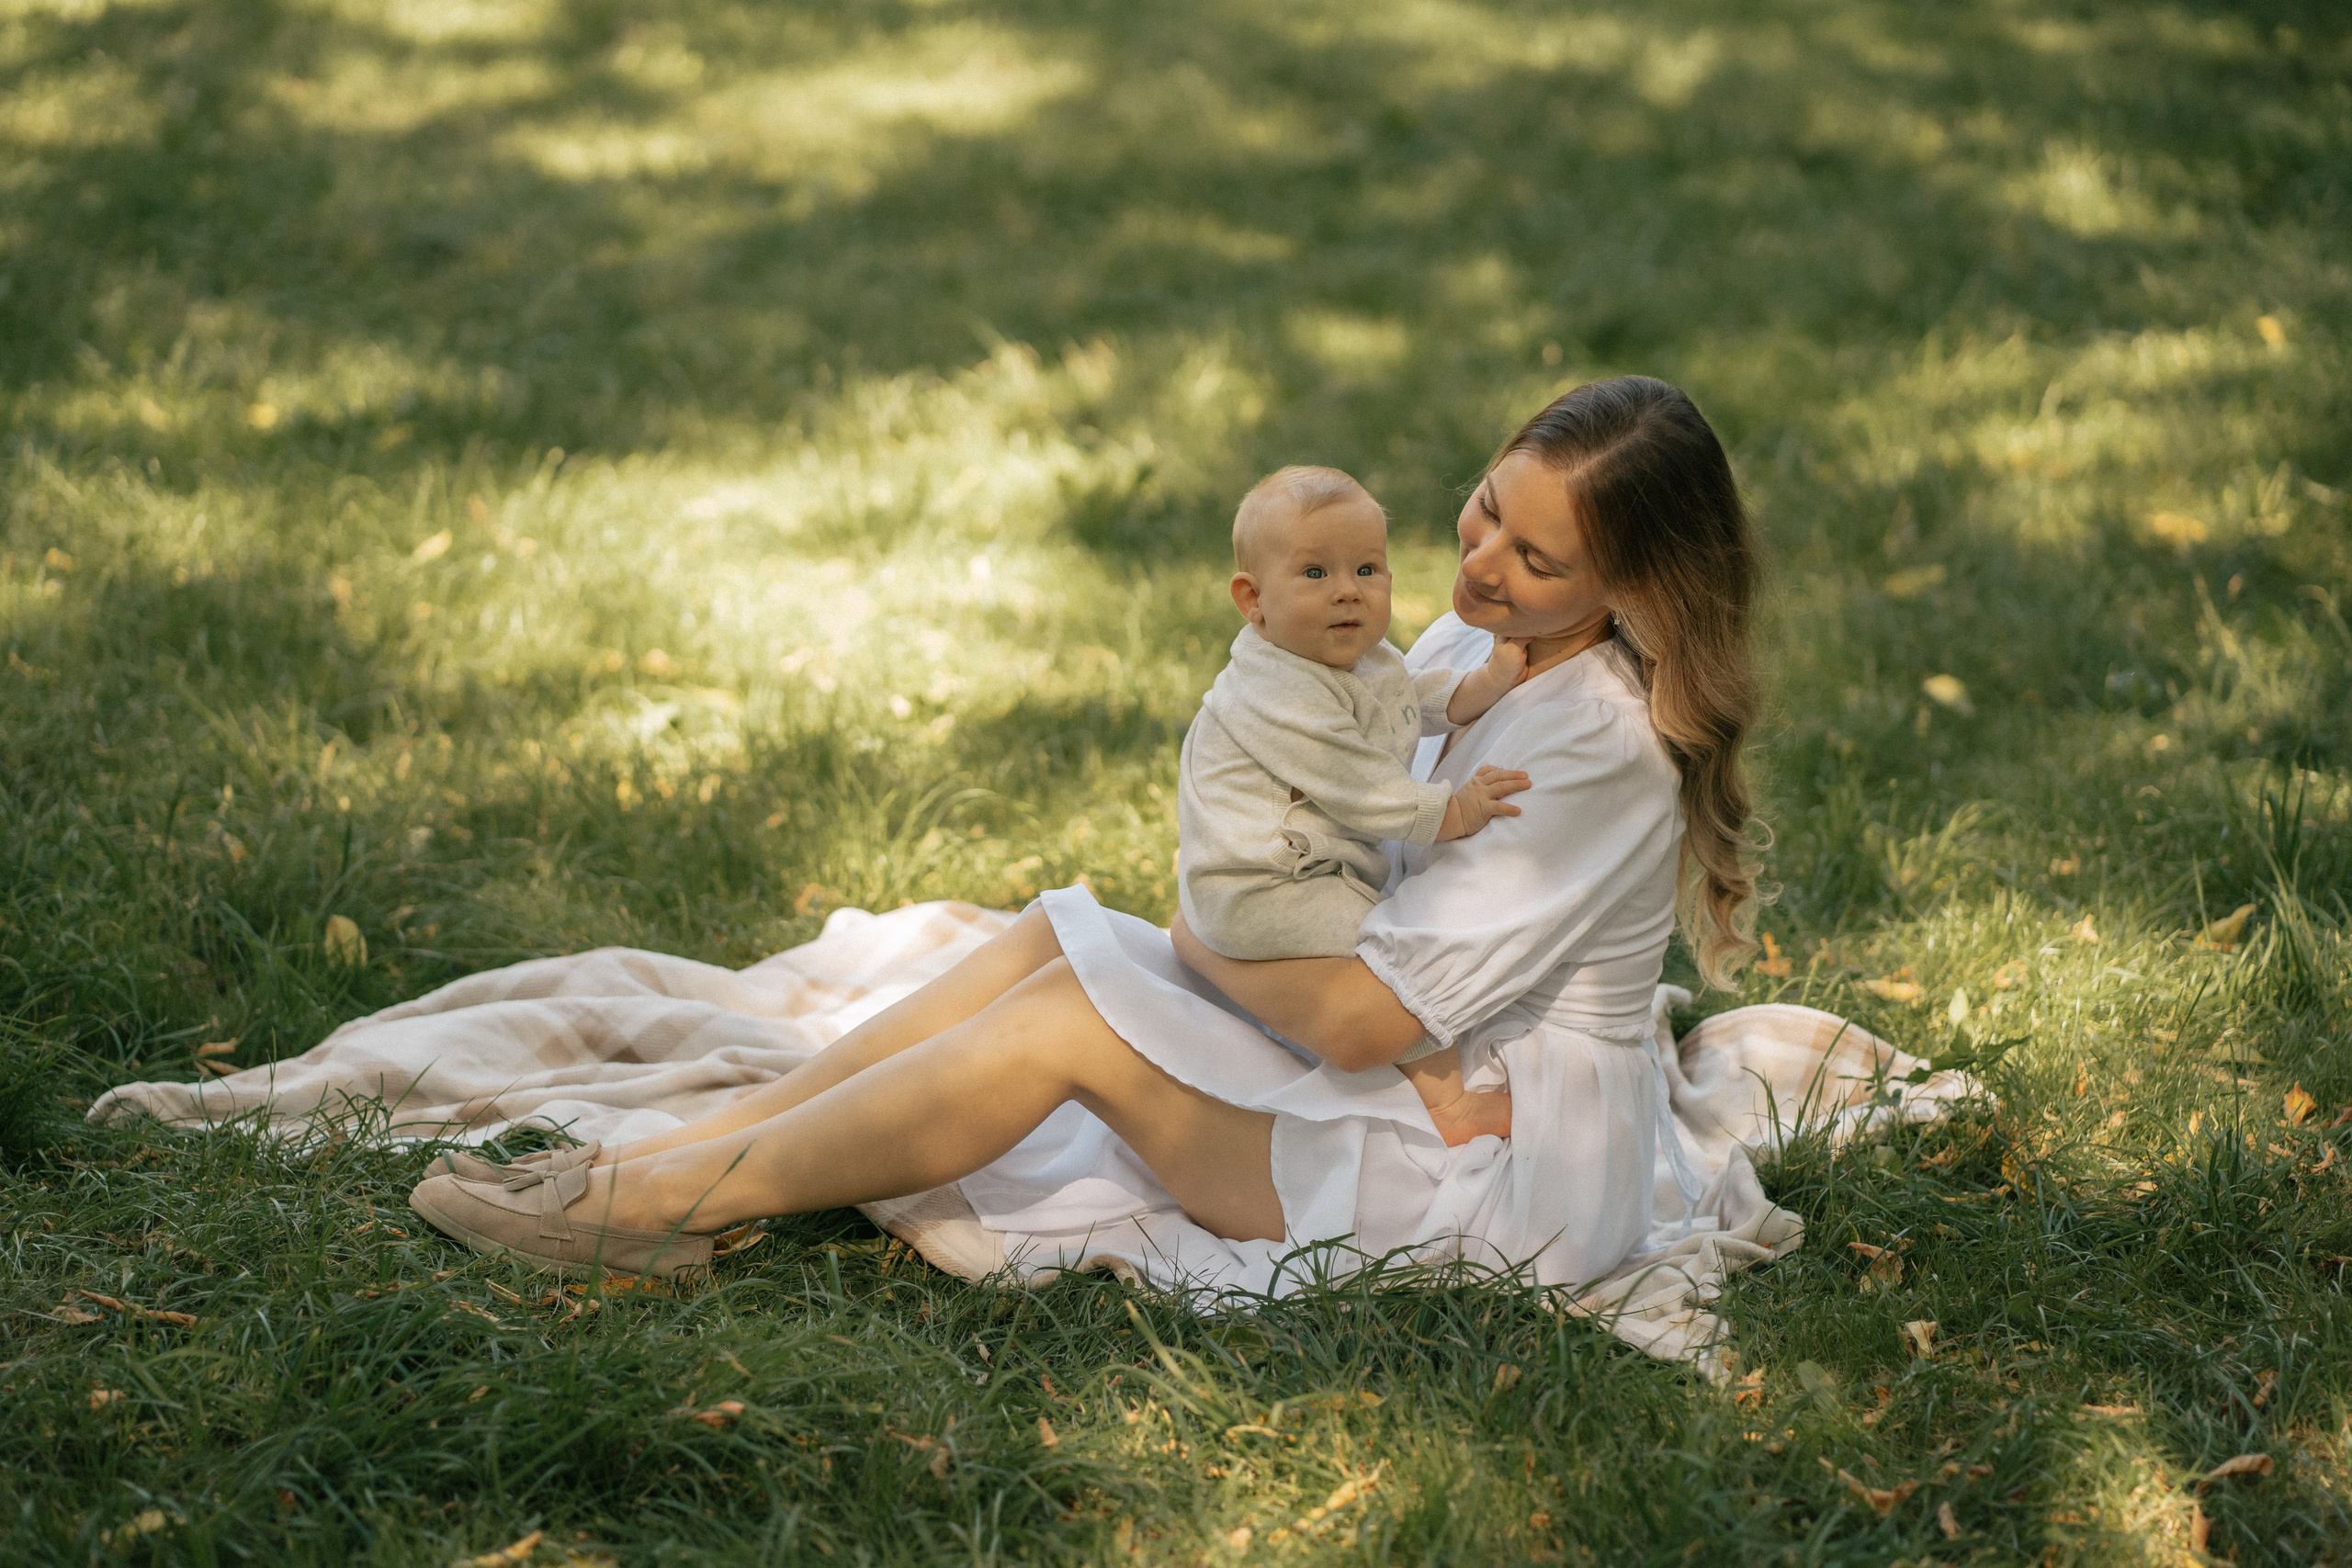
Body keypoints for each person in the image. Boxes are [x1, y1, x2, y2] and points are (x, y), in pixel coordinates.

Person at [407, 375, 1762, 1293]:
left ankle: (655, 1212)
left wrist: (1191, 934)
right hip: (1400, 1039)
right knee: (1054, 933)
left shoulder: (1594, 744)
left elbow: (1356, 1018)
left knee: (1074, 1019)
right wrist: (1215, 929)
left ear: (1630, 585)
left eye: (1537, 558)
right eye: (1487, 506)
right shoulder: (1478, 635)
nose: (1478, 564)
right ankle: (664, 1157)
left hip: (1489, 1155)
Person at [1178, 462, 1530, 1145]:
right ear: (1253, 600)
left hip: (1301, 862)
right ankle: (1450, 1106)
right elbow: (1357, 782)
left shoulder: (1349, 657)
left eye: (1367, 569)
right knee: (1389, 957)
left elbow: (1400, 701)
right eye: (1315, 574)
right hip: (1261, 882)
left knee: (1386, 938)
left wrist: (1483, 684)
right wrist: (1450, 812)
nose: (1348, 592)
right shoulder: (1279, 693)